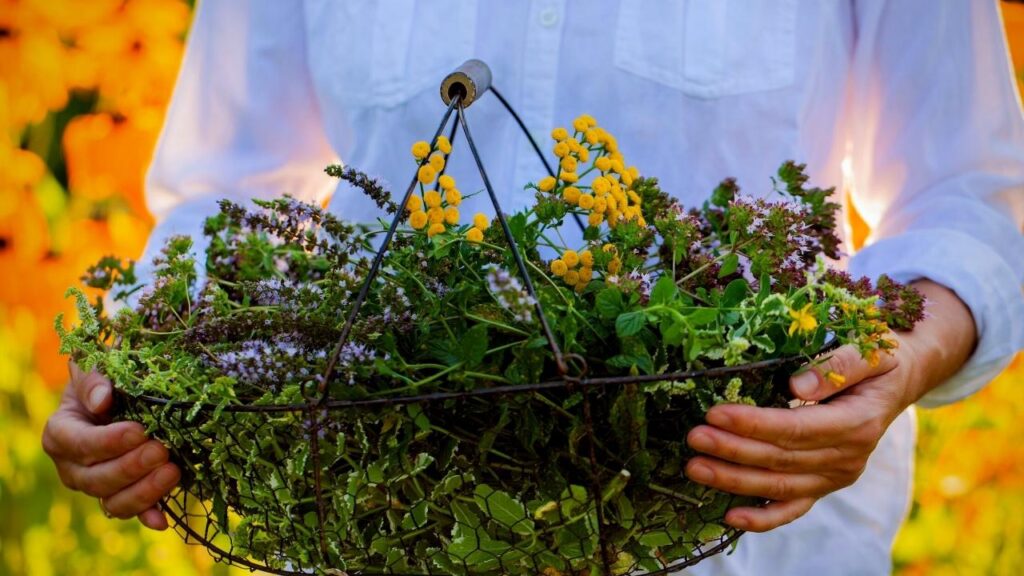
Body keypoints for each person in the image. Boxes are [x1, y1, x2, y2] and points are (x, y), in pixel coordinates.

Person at [42, 2, 1024, 574]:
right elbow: (231, 193)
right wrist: (135, 370)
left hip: (739, 541)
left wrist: (887, 365)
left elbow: (973, 195)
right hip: (385, 529)